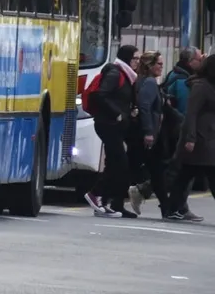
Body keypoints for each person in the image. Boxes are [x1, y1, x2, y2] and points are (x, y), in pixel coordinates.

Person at [84, 44, 140, 218]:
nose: (137, 62)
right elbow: (100, 95)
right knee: (119, 164)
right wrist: (117, 114)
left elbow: (119, 98)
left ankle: (104, 201)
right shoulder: (116, 73)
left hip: (113, 125)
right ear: (127, 59)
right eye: (135, 58)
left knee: (115, 163)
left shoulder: (127, 75)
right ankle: (95, 194)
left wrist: (129, 111)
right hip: (107, 124)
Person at [165, 53, 215, 222]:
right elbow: (191, 114)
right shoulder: (201, 86)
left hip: (208, 136)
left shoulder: (209, 85)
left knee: (185, 174)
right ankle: (172, 208)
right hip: (201, 138)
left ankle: (173, 208)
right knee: (208, 173)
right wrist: (190, 138)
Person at [126, 51, 166, 215]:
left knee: (154, 170)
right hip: (148, 134)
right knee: (152, 169)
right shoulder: (149, 82)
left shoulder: (143, 80)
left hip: (145, 133)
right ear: (150, 65)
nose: (161, 68)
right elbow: (145, 106)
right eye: (159, 64)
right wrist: (149, 132)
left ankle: (166, 206)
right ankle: (104, 194)